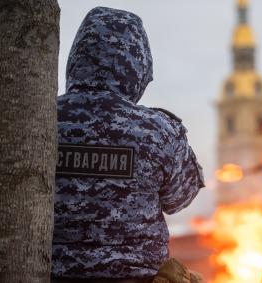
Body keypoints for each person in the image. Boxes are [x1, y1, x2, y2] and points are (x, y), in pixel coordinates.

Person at [52, 6, 205, 283]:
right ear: (139, 67)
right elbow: (181, 198)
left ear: (77, 58)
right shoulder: (158, 131)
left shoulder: (39, 119)